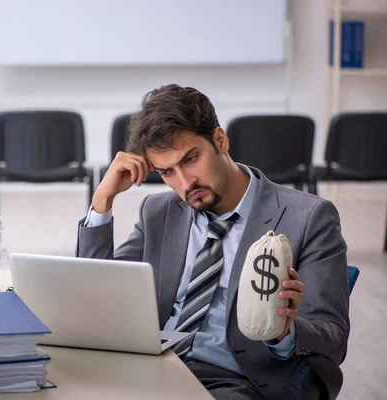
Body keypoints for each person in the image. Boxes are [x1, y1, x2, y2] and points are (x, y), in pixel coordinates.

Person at [75, 85, 350, 400]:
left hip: (239, 378)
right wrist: (102, 201)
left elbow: (333, 338)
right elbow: (96, 295)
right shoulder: (159, 211)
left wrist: (284, 329)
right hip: (157, 365)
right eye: (167, 172)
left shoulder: (309, 216)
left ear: (220, 140)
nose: (184, 183)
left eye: (190, 159)